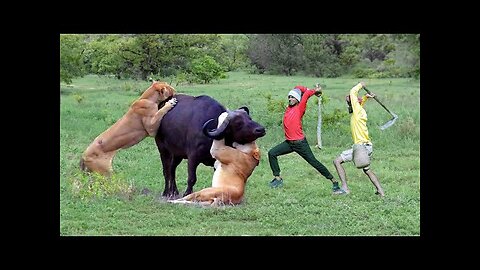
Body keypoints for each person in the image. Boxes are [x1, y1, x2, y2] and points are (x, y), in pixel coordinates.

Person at [268, 85, 341, 193]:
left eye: (292, 97)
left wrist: (314, 91)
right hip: (289, 143)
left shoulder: (300, 108)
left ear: (297, 100)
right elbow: (297, 87)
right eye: (289, 97)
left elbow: (306, 95)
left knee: (313, 162)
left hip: (300, 143)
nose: (290, 99)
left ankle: (334, 181)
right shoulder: (288, 109)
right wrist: (304, 89)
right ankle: (278, 178)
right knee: (272, 153)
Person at [333, 82, 385, 197]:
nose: (349, 104)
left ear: (355, 104)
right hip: (367, 146)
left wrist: (360, 85)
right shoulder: (360, 111)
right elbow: (360, 103)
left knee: (337, 161)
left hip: (360, 147)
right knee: (367, 170)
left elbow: (353, 92)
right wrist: (366, 97)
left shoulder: (357, 112)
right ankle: (381, 191)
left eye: (350, 102)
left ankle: (345, 188)